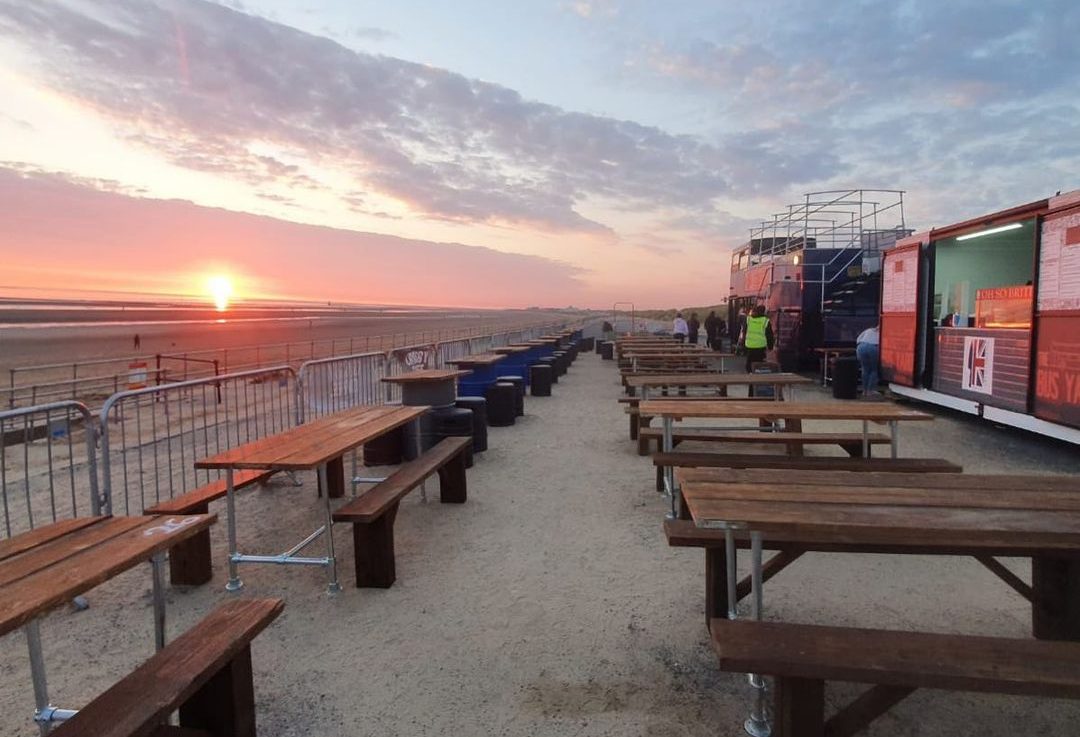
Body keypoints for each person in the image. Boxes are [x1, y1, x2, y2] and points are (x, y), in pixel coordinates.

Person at [740, 305, 774, 372]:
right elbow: (769, 335)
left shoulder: (748, 319)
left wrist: (742, 344)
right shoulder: (765, 321)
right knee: (759, 362)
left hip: (749, 345)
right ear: (764, 312)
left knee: (749, 362)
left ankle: (750, 373)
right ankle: (757, 373)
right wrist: (770, 346)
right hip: (760, 346)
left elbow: (744, 332)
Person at [856, 324, 881, 398]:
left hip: (861, 347)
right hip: (873, 347)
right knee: (874, 370)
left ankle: (864, 391)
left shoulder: (868, 330)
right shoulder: (882, 333)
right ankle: (870, 391)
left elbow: (858, 339)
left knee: (865, 369)